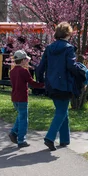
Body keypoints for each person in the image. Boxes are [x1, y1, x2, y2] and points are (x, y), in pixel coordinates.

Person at [36, 22, 78, 151]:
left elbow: (40, 67)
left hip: (51, 84)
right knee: (61, 111)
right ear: (68, 33)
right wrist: (81, 71)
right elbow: (71, 66)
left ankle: (65, 139)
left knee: (62, 110)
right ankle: (50, 137)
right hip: (64, 84)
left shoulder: (49, 48)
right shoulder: (68, 48)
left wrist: (41, 80)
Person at [8, 50, 44, 148]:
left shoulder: (12, 71)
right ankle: (21, 140)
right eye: (26, 60)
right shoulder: (24, 71)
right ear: (23, 60)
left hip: (14, 97)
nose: (27, 62)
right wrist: (43, 85)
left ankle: (14, 132)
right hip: (22, 97)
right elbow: (31, 82)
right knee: (24, 119)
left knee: (20, 116)